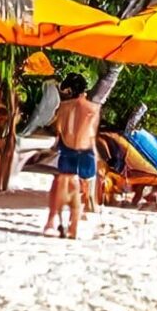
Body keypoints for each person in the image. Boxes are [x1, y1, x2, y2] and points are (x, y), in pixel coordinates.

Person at [47, 73, 99, 239]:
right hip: (86, 152)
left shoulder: (63, 108)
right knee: (82, 187)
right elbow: (92, 135)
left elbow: (58, 130)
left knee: (63, 183)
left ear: (69, 91)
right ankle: (74, 225)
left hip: (68, 151)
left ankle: (53, 219)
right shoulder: (93, 109)